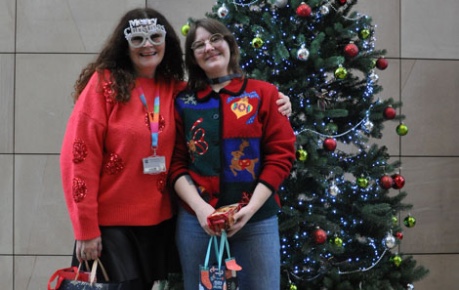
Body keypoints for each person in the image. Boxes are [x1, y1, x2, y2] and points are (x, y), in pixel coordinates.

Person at [60, 7, 291, 289]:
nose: (147, 45)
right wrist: (85, 228)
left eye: (155, 36)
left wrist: (279, 100)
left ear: (166, 41)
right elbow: (79, 157)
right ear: (125, 44)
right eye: (138, 39)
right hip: (112, 227)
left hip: (159, 225)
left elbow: (222, 97)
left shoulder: (176, 91)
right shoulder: (104, 84)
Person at [169, 18, 296, 290]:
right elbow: (176, 163)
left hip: (256, 222)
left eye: (215, 39)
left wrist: (250, 209)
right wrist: (201, 210)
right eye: (199, 45)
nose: (209, 48)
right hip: (197, 224)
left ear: (229, 43)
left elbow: (281, 156)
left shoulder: (264, 94)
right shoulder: (182, 101)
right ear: (192, 57)